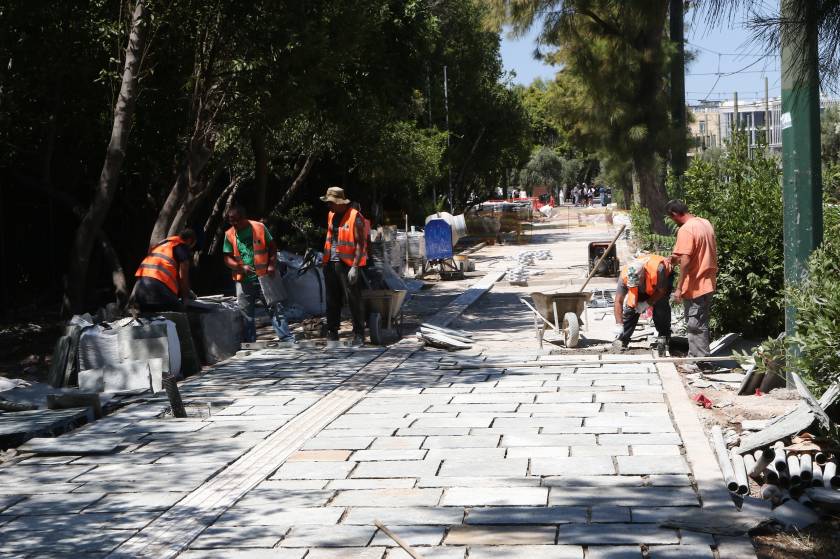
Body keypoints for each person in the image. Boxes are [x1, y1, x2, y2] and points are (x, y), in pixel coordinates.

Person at [223, 205, 294, 344]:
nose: (234, 224)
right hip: (243, 280)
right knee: (246, 313)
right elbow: (227, 257)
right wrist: (240, 267)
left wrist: (272, 265)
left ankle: (286, 339)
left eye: (236, 220)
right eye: (231, 221)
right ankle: (250, 343)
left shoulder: (259, 227)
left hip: (264, 278)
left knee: (274, 308)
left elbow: (273, 247)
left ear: (244, 218)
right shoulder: (229, 234)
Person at [666, 199, 718, 370]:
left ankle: (700, 361)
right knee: (699, 321)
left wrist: (679, 287)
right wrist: (674, 258)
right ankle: (698, 358)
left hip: (695, 284)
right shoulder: (704, 223)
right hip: (707, 281)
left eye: (672, 218)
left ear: (674, 214)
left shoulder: (686, 229)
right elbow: (696, 251)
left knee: (695, 325)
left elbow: (687, 259)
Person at [321, 186, 367, 347]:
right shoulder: (331, 215)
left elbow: (361, 243)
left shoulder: (355, 217)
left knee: (353, 299)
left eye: (331, 203)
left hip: (347, 264)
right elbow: (330, 238)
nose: (329, 206)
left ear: (340, 202)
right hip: (330, 263)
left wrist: (355, 266)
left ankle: (359, 334)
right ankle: (332, 332)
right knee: (332, 300)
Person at [612, 253, 673, 352]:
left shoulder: (658, 269)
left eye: (638, 282)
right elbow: (618, 301)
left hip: (661, 281)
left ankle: (664, 336)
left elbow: (661, 291)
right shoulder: (625, 276)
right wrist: (619, 323)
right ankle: (622, 338)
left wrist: (646, 303)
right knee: (631, 309)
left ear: (643, 275)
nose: (637, 285)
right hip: (648, 284)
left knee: (660, 306)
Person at [132, 229, 197, 313]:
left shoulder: (162, 244)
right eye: (191, 246)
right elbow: (183, 276)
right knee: (180, 315)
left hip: (140, 287)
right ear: (189, 240)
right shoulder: (181, 246)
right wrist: (185, 298)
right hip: (158, 287)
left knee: (149, 316)